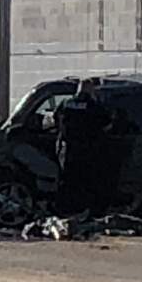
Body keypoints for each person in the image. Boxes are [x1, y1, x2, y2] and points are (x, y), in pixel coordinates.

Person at [54, 79, 113, 218]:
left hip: (68, 149)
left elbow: (56, 117)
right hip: (87, 149)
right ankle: (84, 210)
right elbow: (106, 124)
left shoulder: (66, 103)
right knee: (86, 181)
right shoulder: (93, 106)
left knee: (67, 181)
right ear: (89, 90)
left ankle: (66, 210)